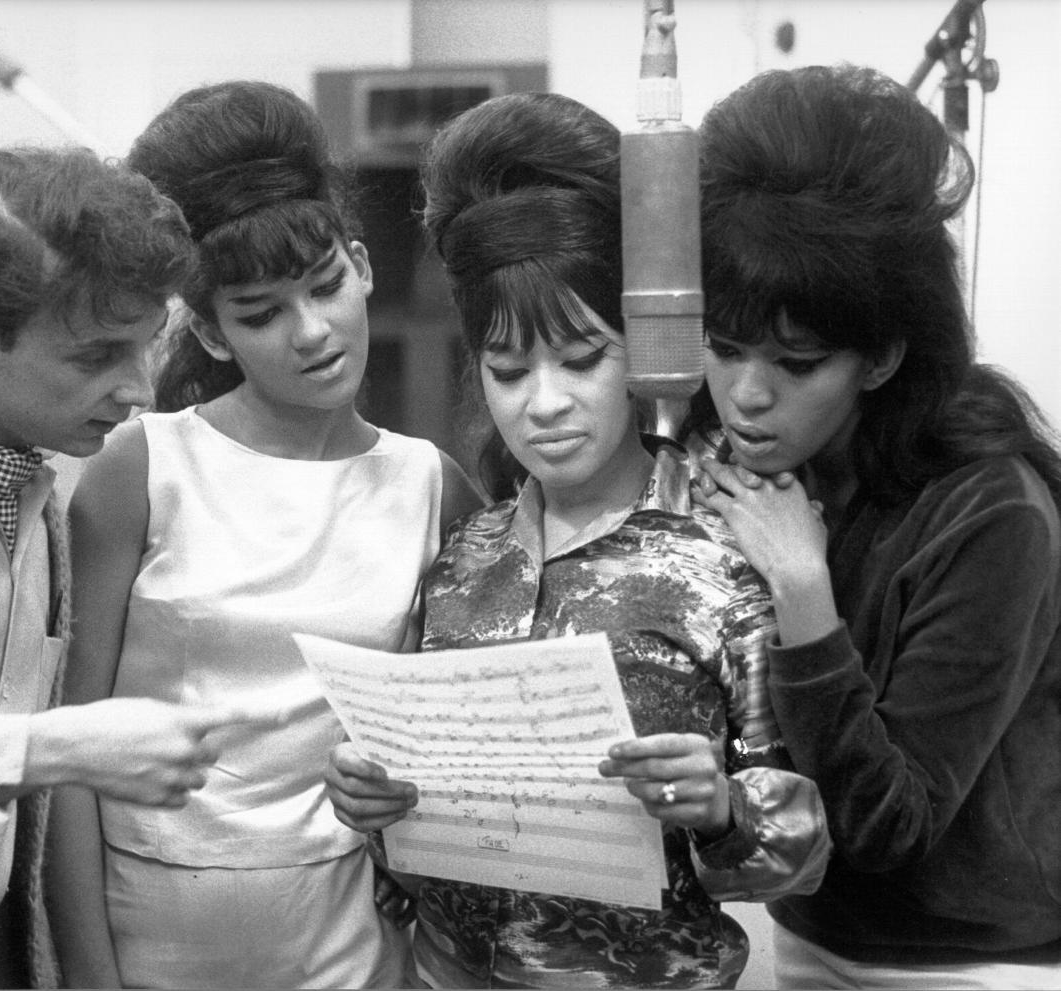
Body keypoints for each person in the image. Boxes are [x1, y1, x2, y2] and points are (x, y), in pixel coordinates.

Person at [323, 90, 832, 990]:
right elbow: (420, 845)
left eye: (584, 358)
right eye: (509, 370)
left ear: (639, 348)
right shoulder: (461, 562)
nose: (544, 402)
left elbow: (807, 852)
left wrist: (719, 807)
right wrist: (376, 807)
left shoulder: (720, 557)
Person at [44, 80, 482, 990]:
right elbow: (70, 757)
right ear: (206, 328)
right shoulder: (142, 467)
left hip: (347, 931)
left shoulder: (428, 485)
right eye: (261, 312)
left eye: (326, 286)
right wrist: (88, 973)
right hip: (152, 925)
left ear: (361, 263)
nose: (313, 331)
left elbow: (455, 744)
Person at [0, 145, 272, 990]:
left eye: (148, 346)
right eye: (96, 356)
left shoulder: (27, 462)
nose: (139, 387)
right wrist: (48, 746)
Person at [689, 64, 1061, 989]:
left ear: (884, 355)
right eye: (725, 347)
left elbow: (888, 826)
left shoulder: (993, 508)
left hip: (977, 961)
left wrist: (803, 593)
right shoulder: (764, 467)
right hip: (810, 936)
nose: (745, 393)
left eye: (796, 361)